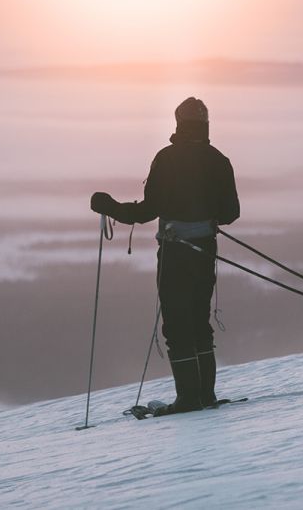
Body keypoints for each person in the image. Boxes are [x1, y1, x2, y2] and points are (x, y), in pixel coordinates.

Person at [90, 96, 240, 415]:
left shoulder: (167, 159)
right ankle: (204, 395)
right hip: (205, 251)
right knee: (199, 322)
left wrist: (109, 207)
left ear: (178, 124)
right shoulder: (218, 159)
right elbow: (231, 213)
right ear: (205, 123)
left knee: (177, 325)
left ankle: (189, 399)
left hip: (175, 253)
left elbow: (147, 211)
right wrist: (204, 215)